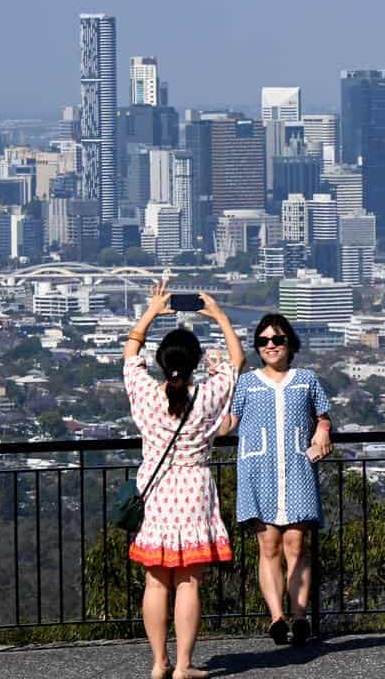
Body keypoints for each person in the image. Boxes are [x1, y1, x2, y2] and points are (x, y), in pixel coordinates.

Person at [124, 280, 244, 679]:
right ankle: (185, 665)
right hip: (194, 490)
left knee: (156, 581)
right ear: (194, 363)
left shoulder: (145, 394)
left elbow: (129, 357)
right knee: (190, 581)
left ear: (161, 361)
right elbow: (237, 362)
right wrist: (220, 316)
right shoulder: (209, 396)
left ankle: (159, 663)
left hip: (156, 492)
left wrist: (151, 311)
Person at [220, 313, 333, 647]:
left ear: (289, 344)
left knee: (297, 545)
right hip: (259, 471)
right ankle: (276, 617)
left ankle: (299, 617)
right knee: (268, 546)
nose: (270, 345)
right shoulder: (247, 383)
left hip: (298, 469)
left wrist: (323, 431)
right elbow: (228, 424)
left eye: (277, 339)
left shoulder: (307, 379)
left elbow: (323, 417)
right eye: (264, 340)